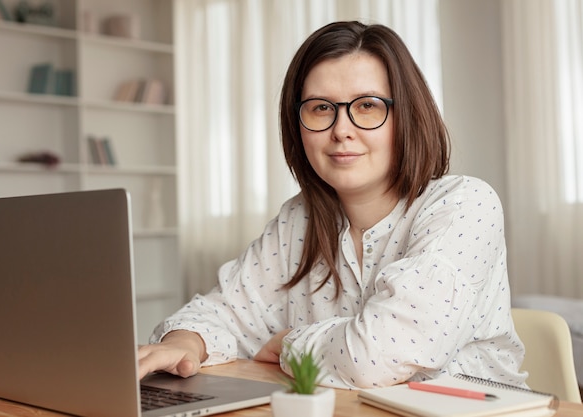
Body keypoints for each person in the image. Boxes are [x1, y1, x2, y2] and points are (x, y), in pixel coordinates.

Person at [138, 21, 527, 389]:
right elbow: (219, 313)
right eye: (321, 108)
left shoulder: (466, 205)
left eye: (368, 106)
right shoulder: (298, 219)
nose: (341, 130)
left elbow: (382, 356)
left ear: (406, 115)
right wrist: (186, 343)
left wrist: (290, 343)